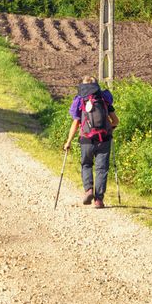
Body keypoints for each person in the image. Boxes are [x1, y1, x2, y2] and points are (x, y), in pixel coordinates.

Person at [63, 76, 118, 208]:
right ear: (96, 86)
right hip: (104, 139)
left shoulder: (80, 100)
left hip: (86, 139)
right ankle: (98, 200)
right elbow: (116, 121)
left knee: (86, 164)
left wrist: (68, 142)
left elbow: (76, 123)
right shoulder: (104, 99)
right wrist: (109, 129)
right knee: (102, 168)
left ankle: (88, 190)